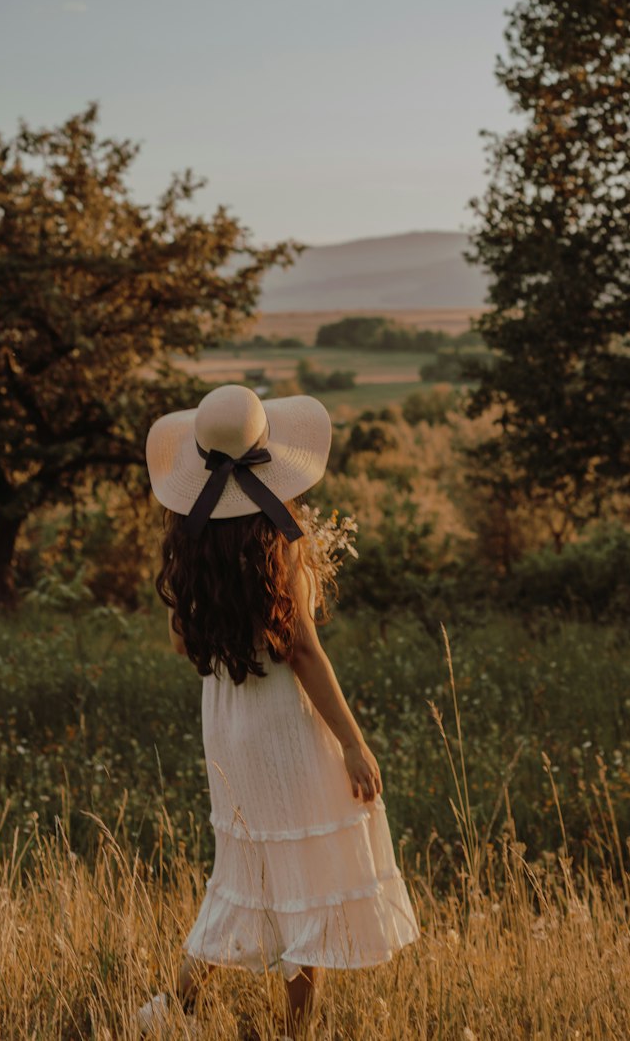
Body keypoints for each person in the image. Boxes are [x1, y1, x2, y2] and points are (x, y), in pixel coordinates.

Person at [136, 383, 419, 1039]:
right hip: (284, 724)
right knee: (303, 876)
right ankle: (295, 1032)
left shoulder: (188, 542)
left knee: (247, 871)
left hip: (229, 721)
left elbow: (186, 645)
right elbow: (306, 655)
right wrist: (351, 741)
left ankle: (171, 1008)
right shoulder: (278, 542)